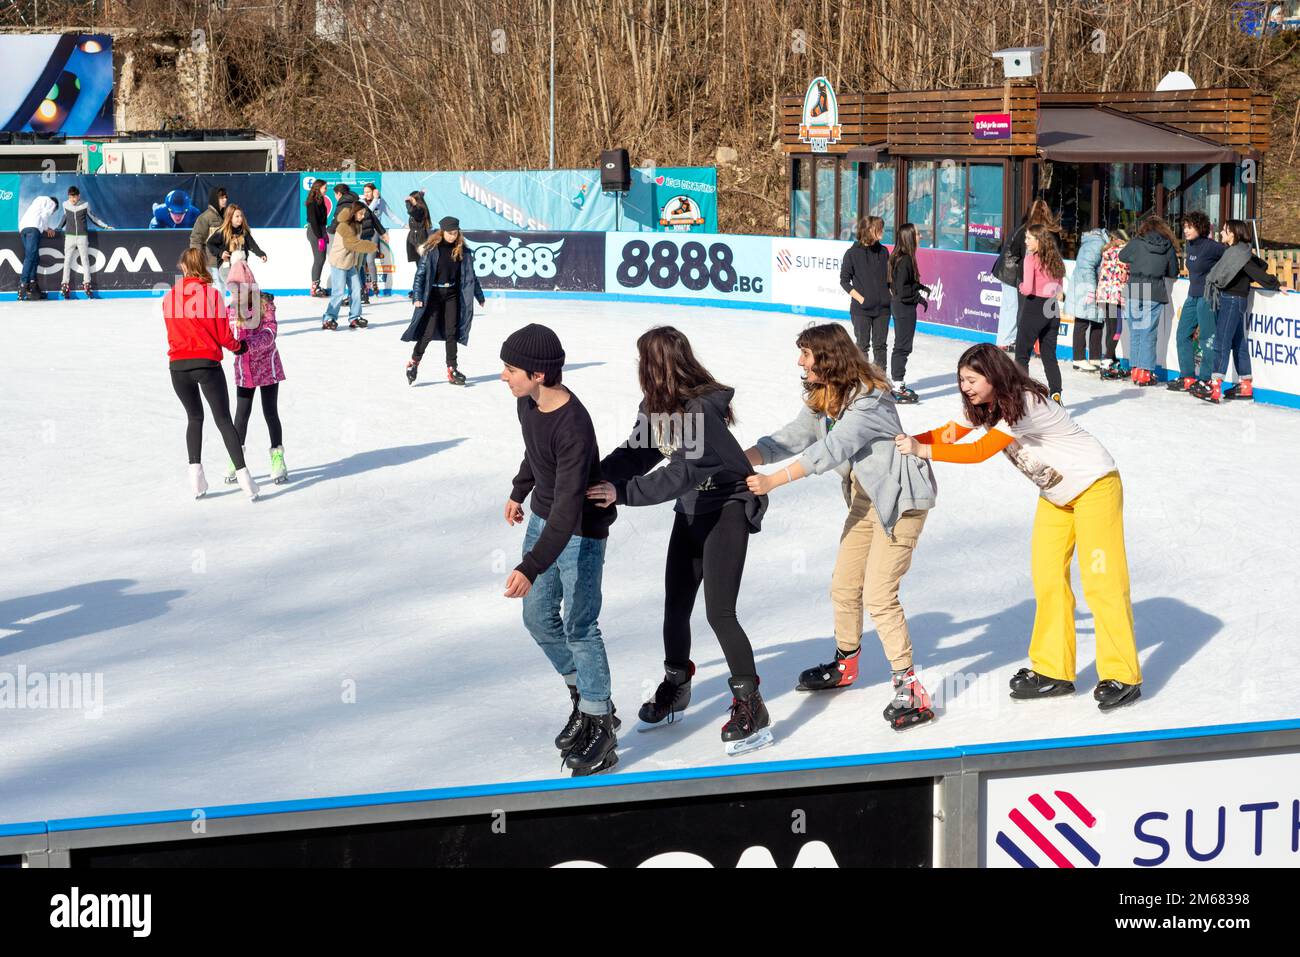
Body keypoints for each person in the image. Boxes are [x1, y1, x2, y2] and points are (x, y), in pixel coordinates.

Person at [895, 343, 1142, 712]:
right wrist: (909, 440)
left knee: (1102, 580)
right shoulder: (988, 405)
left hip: (1094, 485)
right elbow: (951, 433)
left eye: (972, 379)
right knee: (1047, 578)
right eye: (961, 380)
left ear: (993, 374)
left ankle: (1122, 674)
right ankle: (1054, 669)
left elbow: (978, 452)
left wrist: (920, 450)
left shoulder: (1024, 402)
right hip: (1057, 494)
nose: (965, 387)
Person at [588, 326, 773, 756]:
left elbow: (679, 474)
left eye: (643, 361)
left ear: (657, 366)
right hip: (692, 506)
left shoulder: (701, 412)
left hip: (727, 505)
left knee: (719, 612)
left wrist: (624, 493)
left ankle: (751, 704)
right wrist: (595, 475)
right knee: (675, 603)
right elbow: (637, 453)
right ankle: (677, 684)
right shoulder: (656, 407)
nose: (639, 369)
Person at [744, 322, 939, 730]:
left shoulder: (871, 400)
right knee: (845, 586)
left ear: (828, 358)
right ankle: (845, 664)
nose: (800, 361)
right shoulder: (826, 395)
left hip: (899, 501)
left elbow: (830, 451)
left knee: (879, 596)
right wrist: (747, 457)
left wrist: (771, 483)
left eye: (806, 354)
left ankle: (910, 688)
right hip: (865, 500)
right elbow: (793, 437)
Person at [500, 323, 620, 777]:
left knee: (580, 625)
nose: (504, 377)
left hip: (582, 533)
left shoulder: (574, 425)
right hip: (542, 521)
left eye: (511, 369)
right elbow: (533, 452)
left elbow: (570, 511)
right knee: (537, 617)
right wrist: (519, 490)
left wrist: (531, 566)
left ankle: (600, 722)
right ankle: (585, 698)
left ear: (539, 375)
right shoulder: (527, 403)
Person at [161, 248, 259, 502]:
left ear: (185, 267)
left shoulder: (169, 297)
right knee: (224, 420)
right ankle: (245, 479)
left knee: (194, 418)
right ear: (202, 266)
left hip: (178, 367)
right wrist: (240, 347)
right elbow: (223, 335)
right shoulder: (211, 295)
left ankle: (195, 479)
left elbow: (174, 331)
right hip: (206, 365)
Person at [1194, 219, 1281, 404]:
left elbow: (1256, 271)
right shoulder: (1233, 252)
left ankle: (1215, 386)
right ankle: (1245, 384)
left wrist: (1275, 285)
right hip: (1231, 299)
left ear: (1233, 233)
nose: (1221, 233)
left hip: (1233, 300)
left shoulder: (1240, 254)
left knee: (1221, 341)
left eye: (1225, 230)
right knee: (1238, 342)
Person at [401, 216, 485, 385]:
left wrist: (479, 295)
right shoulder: (432, 249)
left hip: (452, 295)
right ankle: (414, 362)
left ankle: (452, 369)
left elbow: (471, 276)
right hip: (433, 295)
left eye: (455, 233)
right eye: (449, 233)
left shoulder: (463, 251)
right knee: (427, 332)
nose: (452, 236)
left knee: (451, 332)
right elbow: (421, 275)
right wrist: (417, 296)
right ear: (442, 232)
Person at [225, 285, 288, 486]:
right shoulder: (231, 310)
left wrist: (246, 346)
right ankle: (236, 460)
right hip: (245, 370)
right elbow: (224, 334)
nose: (235, 295)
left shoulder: (265, 305)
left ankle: (278, 459)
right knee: (241, 415)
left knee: (270, 412)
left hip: (267, 367)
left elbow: (270, 332)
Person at [1118, 215, 1180, 387]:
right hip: (1154, 289)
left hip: (1135, 287)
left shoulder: (1137, 242)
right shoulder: (1167, 246)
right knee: (1148, 332)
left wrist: (1137, 257)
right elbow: (1173, 272)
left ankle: (1136, 370)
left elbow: (1122, 256)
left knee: (1136, 330)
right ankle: (1145, 372)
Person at [993, 200, 1062, 352]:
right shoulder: (1029, 231)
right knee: (1015, 307)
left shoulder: (1035, 230)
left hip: (1024, 271)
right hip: (1010, 271)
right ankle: (1008, 341)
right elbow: (1021, 253)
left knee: (1022, 307)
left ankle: (1025, 342)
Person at [1168, 211, 1225, 393]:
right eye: (1184, 227)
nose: (1185, 230)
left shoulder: (1211, 247)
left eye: (1189, 227)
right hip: (1192, 296)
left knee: (1206, 338)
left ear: (1200, 228)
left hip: (1208, 297)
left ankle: (1206, 379)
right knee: (1182, 334)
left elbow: (1235, 258)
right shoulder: (1190, 246)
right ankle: (1187, 377)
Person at [1014, 224, 1066, 402]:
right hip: (1052, 308)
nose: (1026, 241)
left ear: (1039, 240)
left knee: (1022, 354)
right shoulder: (1056, 258)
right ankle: (1056, 393)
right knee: (1049, 355)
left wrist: (1020, 286)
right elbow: (1059, 290)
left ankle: (1023, 396)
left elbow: (1027, 288)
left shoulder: (1031, 259)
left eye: (1029, 238)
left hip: (1035, 306)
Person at [838, 215, 891, 366]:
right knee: (862, 347)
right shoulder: (852, 253)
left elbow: (889, 278)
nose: (882, 231)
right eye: (879, 228)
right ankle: (862, 381)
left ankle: (881, 382)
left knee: (880, 347)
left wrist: (890, 295)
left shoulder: (884, 252)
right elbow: (844, 281)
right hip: (861, 309)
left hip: (883, 309)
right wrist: (861, 299)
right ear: (868, 230)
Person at [888, 222, 929, 402]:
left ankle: (898, 383)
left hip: (901, 307)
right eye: (918, 234)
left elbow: (902, 284)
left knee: (903, 346)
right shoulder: (905, 260)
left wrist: (919, 287)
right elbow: (902, 290)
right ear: (910, 237)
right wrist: (918, 297)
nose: (921, 237)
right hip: (904, 308)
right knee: (902, 347)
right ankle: (898, 386)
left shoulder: (902, 257)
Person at [320, 204, 377, 331]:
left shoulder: (357, 224)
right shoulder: (344, 225)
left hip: (350, 263)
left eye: (364, 214)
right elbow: (352, 244)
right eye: (361, 213)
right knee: (338, 292)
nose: (363, 216)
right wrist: (371, 246)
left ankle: (355, 318)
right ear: (354, 213)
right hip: (339, 263)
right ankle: (329, 318)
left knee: (356, 289)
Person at [1066, 225, 1108, 372]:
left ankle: (1095, 357)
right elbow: (1086, 267)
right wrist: (1091, 290)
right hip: (1086, 287)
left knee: (1098, 321)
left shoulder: (1094, 242)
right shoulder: (1097, 243)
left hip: (1093, 286)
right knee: (1082, 321)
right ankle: (1078, 358)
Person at [58, 186, 111, 299]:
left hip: (82, 237)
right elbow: (65, 217)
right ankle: (65, 284)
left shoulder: (85, 204)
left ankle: (87, 283)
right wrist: (58, 228)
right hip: (70, 237)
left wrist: (105, 226)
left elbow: (93, 218)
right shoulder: (65, 204)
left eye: (75, 196)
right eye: (71, 197)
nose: (73, 199)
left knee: (85, 260)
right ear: (68, 196)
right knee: (67, 260)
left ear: (79, 196)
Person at [205, 205, 268, 290]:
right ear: (230, 217)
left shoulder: (244, 232)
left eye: (241, 216)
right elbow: (210, 243)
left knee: (251, 287)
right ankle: (241, 301)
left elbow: (252, 245)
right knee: (236, 291)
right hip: (226, 266)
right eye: (237, 216)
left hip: (241, 266)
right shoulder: (222, 232)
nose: (240, 218)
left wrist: (261, 254)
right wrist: (220, 253)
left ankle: (254, 301)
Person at [1095, 228, 1129, 380]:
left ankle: (1112, 360)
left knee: (1110, 328)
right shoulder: (1124, 253)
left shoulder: (1106, 253)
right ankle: (1107, 360)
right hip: (1115, 294)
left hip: (1103, 293)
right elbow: (1123, 275)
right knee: (1117, 330)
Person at [17, 195, 60, 301]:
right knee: (31, 257)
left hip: (23, 228)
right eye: (54, 212)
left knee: (35, 258)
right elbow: (45, 215)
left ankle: (33, 287)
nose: (52, 213)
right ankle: (23, 285)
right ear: (55, 206)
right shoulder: (51, 203)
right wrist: (47, 228)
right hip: (33, 228)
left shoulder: (37, 201)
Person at [189, 187, 229, 295]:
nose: (225, 199)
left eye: (226, 197)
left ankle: (219, 310)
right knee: (216, 288)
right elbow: (196, 239)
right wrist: (197, 259)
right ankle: (213, 310)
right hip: (210, 261)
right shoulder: (205, 218)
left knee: (222, 288)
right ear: (214, 199)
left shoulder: (227, 216)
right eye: (221, 197)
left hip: (225, 260)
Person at [305, 179, 330, 298]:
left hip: (320, 230)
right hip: (315, 231)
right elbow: (314, 221)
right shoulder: (312, 203)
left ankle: (316, 285)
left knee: (322, 258)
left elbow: (322, 221)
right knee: (319, 259)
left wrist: (324, 233)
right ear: (318, 188)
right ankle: (314, 287)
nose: (326, 190)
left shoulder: (321, 201)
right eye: (325, 188)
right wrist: (320, 236)